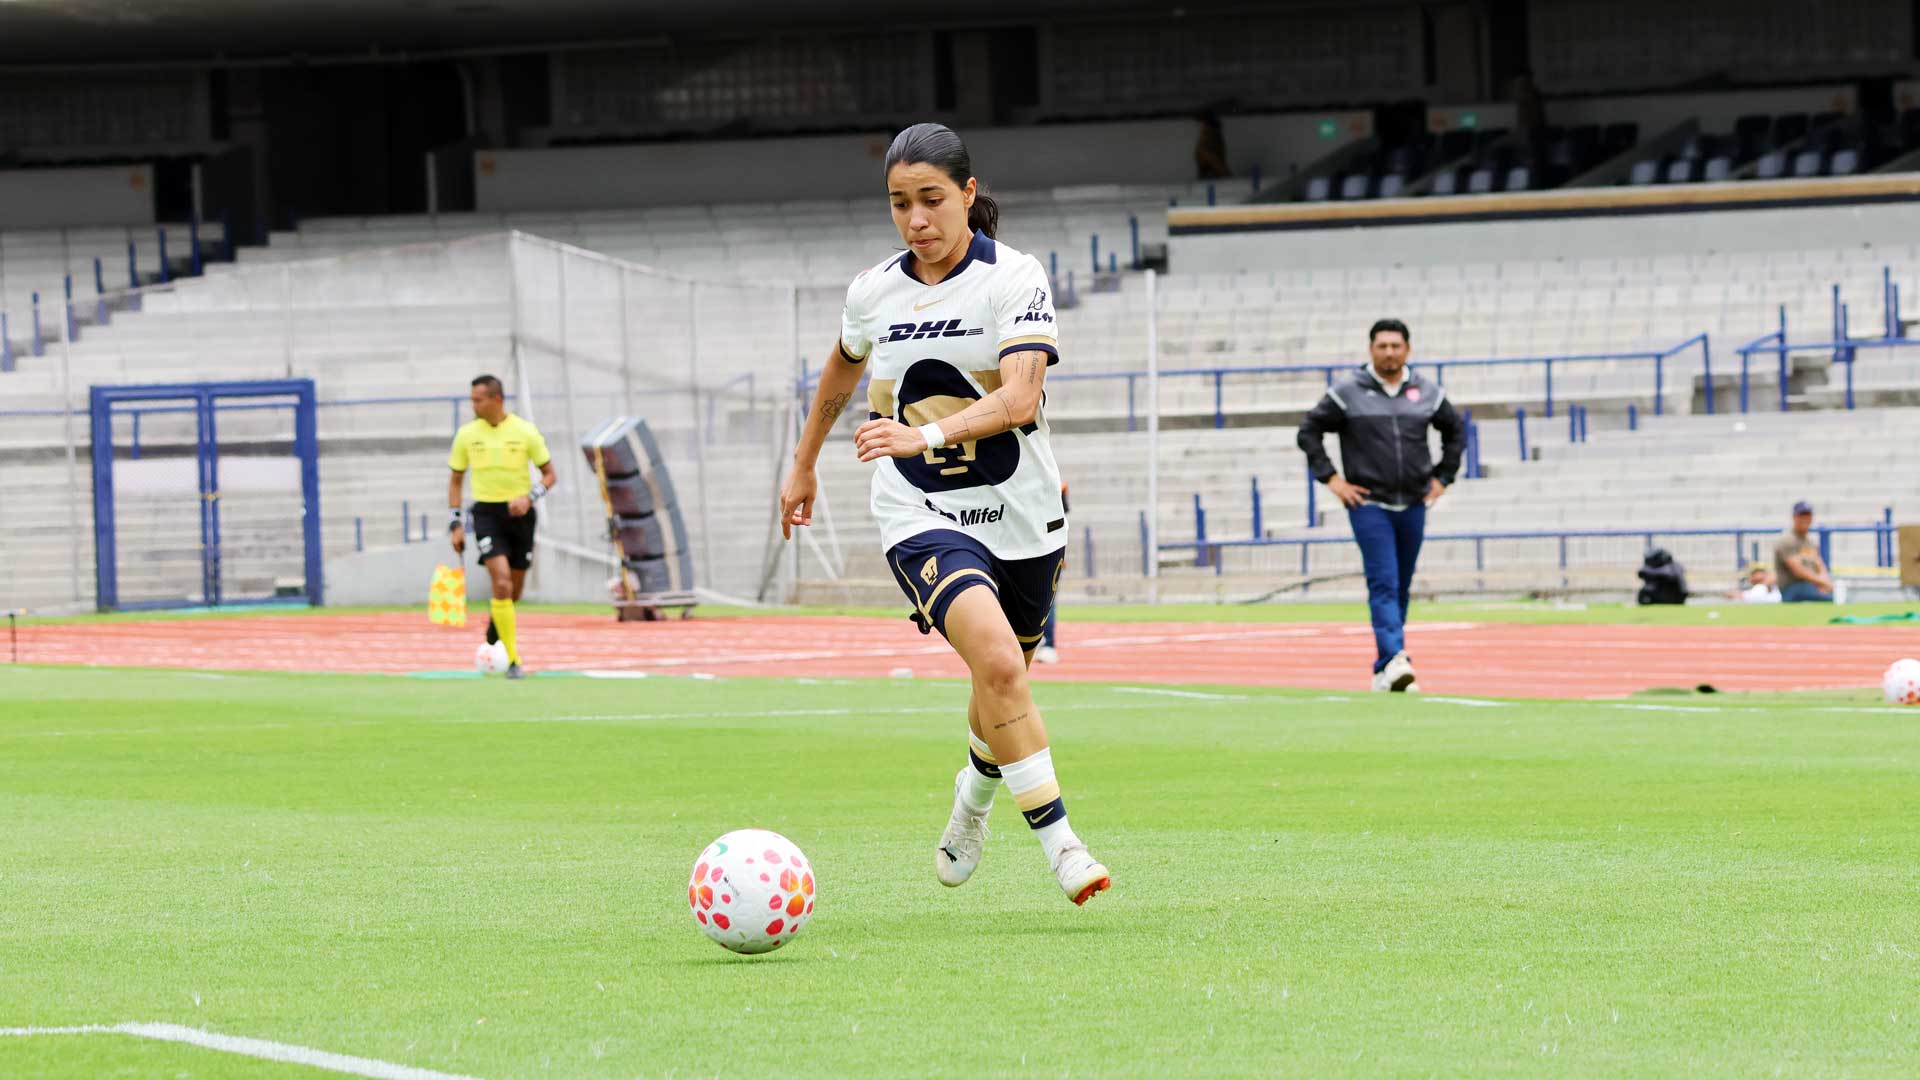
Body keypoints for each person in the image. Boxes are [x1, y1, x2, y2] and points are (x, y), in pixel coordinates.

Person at [778, 122, 1109, 906]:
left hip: (1023, 513)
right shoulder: (874, 291)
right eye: (899, 204)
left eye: (931, 200)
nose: (916, 220)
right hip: (919, 509)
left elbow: (1021, 397)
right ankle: (1063, 846)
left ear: (967, 193)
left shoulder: (1015, 278)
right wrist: (803, 460)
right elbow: (843, 361)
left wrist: (923, 430)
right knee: (997, 663)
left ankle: (974, 796)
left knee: (1006, 678)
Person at [1297, 319, 1465, 692]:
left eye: (1396, 346)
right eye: (1382, 346)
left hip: (1414, 501)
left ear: (1407, 349)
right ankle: (1396, 659)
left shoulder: (1426, 391)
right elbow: (1309, 431)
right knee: (1384, 581)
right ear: (1371, 349)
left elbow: (1455, 430)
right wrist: (1332, 480)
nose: (1389, 352)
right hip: (1369, 503)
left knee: (1401, 584)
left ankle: (1384, 667)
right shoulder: (1347, 391)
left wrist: (1443, 477)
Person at [448, 374, 557, 679]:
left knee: (514, 591)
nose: (473, 405)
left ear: (496, 399)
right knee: (502, 583)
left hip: (520, 515)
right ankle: (513, 660)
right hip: (486, 515)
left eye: (478, 399)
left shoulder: (525, 431)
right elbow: (456, 480)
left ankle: (495, 630)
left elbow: (550, 474)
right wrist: (454, 522)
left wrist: (531, 496)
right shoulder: (467, 435)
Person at [1034, 482, 1069, 665]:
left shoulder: (1057, 484)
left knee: (1047, 598)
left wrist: (1058, 551)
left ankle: (1049, 643)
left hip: (1044, 547)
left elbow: (1060, 519)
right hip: (1014, 547)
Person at [1774, 500, 1836, 603]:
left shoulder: (1809, 542)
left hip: (1811, 585)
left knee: (1832, 595)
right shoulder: (1787, 540)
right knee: (1830, 599)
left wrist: (1825, 581)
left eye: (1807, 515)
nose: (1805, 519)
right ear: (1794, 517)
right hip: (1793, 588)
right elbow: (1799, 571)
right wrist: (1822, 582)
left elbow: (1819, 564)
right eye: (1801, 515)